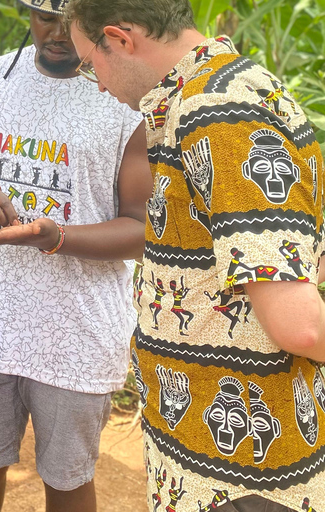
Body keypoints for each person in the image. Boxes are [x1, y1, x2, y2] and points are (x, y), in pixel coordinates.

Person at [65, 0, 325, 510]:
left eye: (89, 62)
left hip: (244, 473)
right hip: (206, 449)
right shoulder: (209, 97)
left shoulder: (219, 112)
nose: (96, 83)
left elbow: (302, 325)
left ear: (119, 39)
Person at [0, 0, 151, 509]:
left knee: (68, 480)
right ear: (23, 11)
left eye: (69, 21)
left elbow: (141, 228)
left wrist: (58, 238)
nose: (56, 33)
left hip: (75, 334)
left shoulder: (124, 95)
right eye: (42, 16)